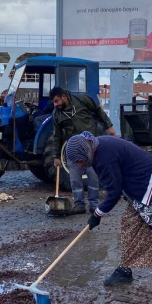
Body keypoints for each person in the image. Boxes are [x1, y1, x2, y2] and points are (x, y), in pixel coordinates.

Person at [66, 132, 152, 286]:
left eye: (80, 161)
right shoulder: (97, 145)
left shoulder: (104, 158)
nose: (80, 165)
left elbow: (114, 193)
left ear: (85, 153)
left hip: (147, 182)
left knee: (131, 224)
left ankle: (124, 271)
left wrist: (97, 214)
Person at [50, 86, 116, 214]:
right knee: (75, 179)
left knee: (93, 176)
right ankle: (79, 205)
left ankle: (94, 205)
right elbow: (57, 136)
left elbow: (99, 111)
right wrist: (56, 156)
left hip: (91, 146)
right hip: (73, 149)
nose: (55, 104)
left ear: (64, 96)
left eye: (56, 101)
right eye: (53, 102)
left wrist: (109, 126)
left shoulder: (83, 100)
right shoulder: (56, 114)